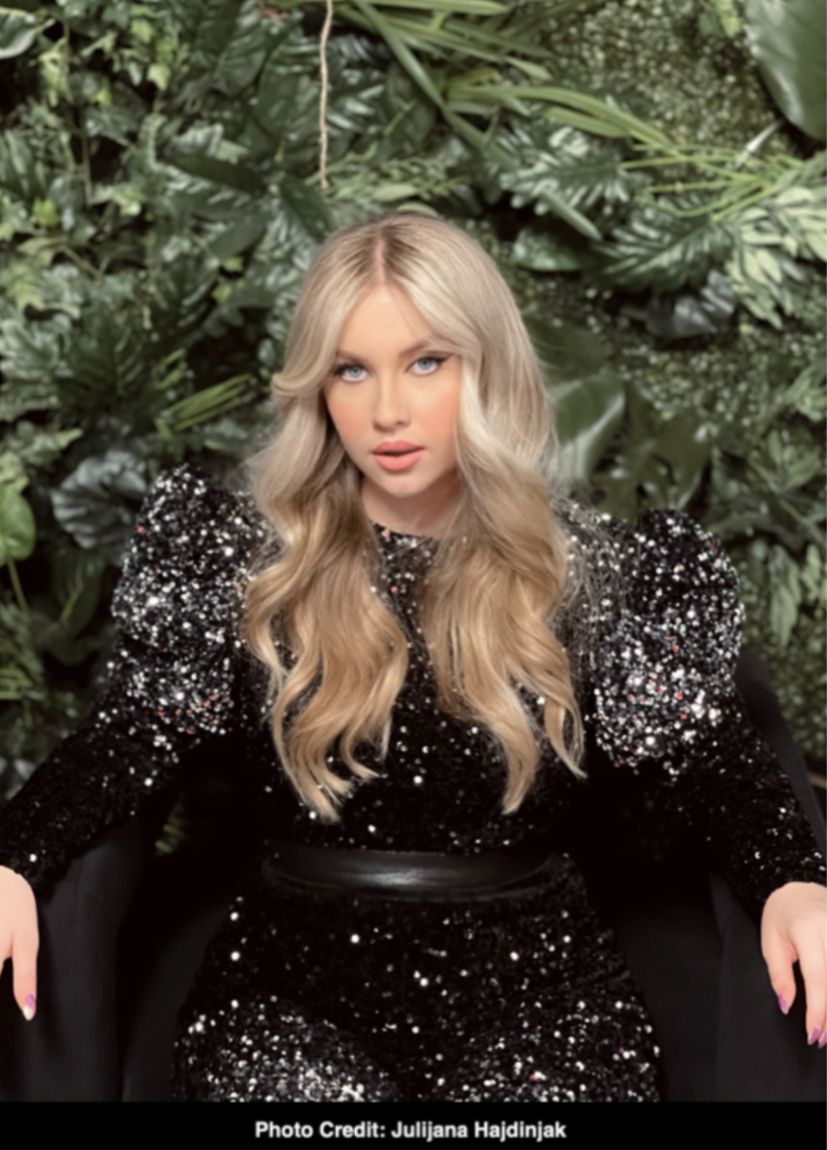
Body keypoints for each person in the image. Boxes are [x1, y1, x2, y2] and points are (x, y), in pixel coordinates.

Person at [0, 210, 825, 1103]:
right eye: (351, 369)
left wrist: (794, 882)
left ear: (487, 367)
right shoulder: (240, 561)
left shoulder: (599, 572)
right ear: (318, 387)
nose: (385, 410)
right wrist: (14, 856)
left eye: (426, 362)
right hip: (289, 995)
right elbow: (130, 739)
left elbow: (715, 764)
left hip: (541, 998)